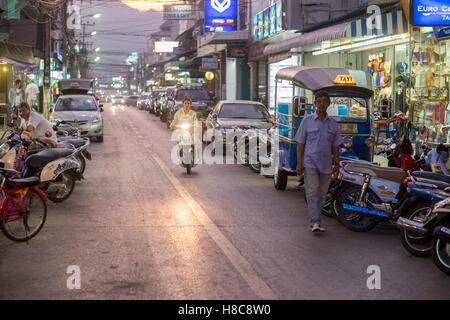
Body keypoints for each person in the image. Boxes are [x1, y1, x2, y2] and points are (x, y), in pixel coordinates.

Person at [294, 91, 343, 233]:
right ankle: (315, 222)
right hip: (310, 162)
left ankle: (316, 219)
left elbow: (335, 146)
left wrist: (337, 165)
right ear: (315, 103)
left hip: (326, 164)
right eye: (319, 101)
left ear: (328, 104)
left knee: (322, 194)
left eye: (324, 101)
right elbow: (300, 144)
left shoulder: (332, 123)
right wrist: (299, 163)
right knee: (313, 191)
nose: (322, 104)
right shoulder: (307, 121)